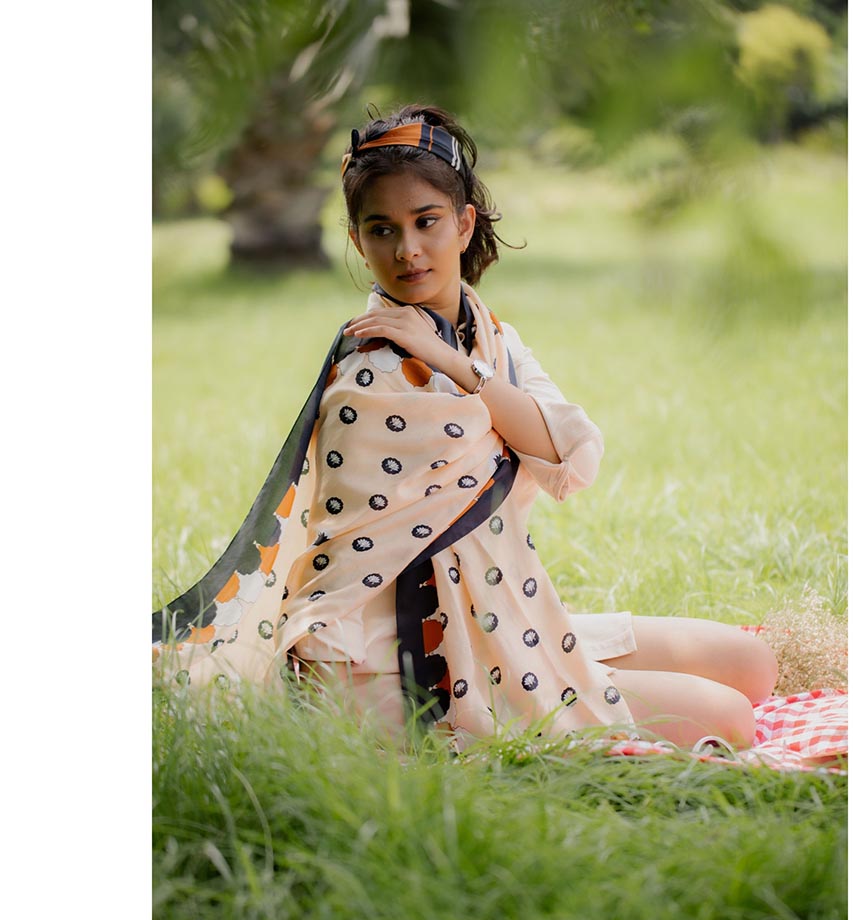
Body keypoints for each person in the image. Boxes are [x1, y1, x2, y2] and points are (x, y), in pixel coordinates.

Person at [153, 104, 777, 751]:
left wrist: (458, 365)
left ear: (463, 223)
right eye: (382, 229)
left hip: (496, 617)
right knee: (731, 718)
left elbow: (573, 460)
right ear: (357, 241)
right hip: (399, 663)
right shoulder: (371, 374)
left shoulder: (488, 338)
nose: (407, 250)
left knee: (752, 664)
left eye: (426, 221)